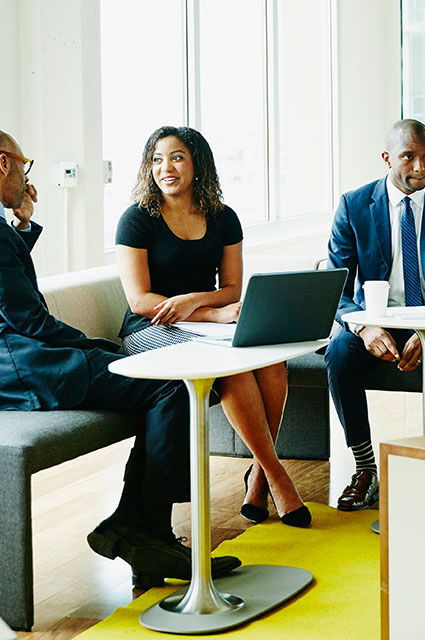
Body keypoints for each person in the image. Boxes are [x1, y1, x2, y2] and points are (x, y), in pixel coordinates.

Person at [0, 126, 241, 589]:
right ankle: (142, 530)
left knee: (162, 382)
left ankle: (143, 531)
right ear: (3, 162)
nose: (26, 175)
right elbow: (30, 321)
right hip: (19, 368)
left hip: (0, 360)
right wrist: (96, 348)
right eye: (24, 165)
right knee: (168, 385)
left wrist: (25, 224)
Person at [115, 125, 309, 528]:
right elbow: (140, 300)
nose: (165, 168)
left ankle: (257, 475)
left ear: (197, 164)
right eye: (156, 159)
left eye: (177, 157)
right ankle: (275, 476)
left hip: (205, 326)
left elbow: (234, 288)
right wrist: (208, 312)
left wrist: (194, 300)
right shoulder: (136, 220)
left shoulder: (223, 217)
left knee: (272, 364)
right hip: (148, 331)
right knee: (231, 371)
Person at [325, 119, 425, 511]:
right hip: (379, 322)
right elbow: (335, 287)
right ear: (387, 158)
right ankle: (365, 467)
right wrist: (365, 326)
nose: (421, 167)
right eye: (409, 157)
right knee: (339, 351)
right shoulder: (354, 205)